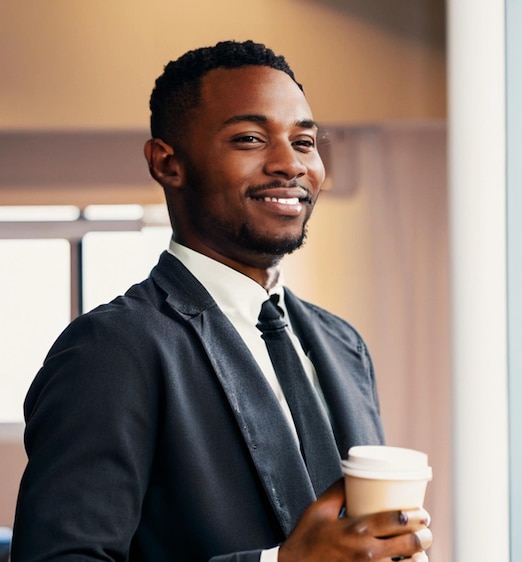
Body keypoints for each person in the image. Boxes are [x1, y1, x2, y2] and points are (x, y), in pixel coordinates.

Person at [11, 40, 432, 561]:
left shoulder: (342, 344)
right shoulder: (111, 351)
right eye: (251, 139)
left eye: (304, 142)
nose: (290, 164)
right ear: (167, 163)